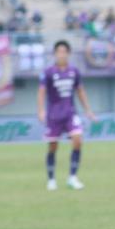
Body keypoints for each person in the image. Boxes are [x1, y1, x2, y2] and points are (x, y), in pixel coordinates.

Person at [37, 40, 97, 190]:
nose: (61, 55)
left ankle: (72, 177)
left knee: (78, 140)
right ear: (55, 54)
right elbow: (41, 92)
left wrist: (88, 110)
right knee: (53, 146)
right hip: (54, 115)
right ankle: (51, 180)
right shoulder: (48, 72)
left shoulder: (74, 72)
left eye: (64, 52)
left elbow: (80, 91)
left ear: (68, 54)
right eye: (59, 52)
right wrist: (41, 111)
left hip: (70, 112)